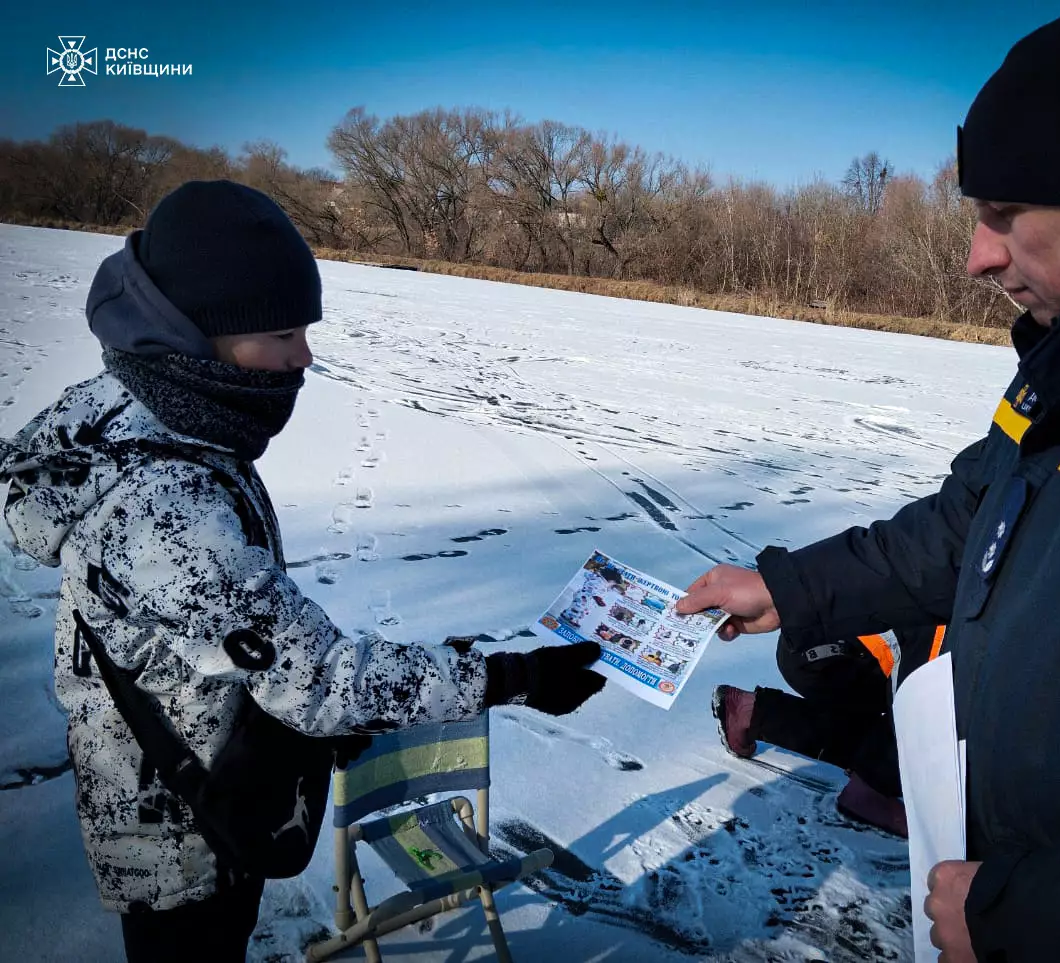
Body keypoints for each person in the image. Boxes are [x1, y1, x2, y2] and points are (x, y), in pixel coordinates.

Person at [676, 5, 1060, 960]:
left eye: (1006, 214)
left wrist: (1033, 917)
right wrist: (792, 589)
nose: (977, 256)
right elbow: (970, 522)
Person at [0, 180, 607, 963]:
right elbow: (319, 679)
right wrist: (515, 676)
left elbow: (242, 647)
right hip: (183, 832)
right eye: (283, 333)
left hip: (199, 774)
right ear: (195, 335)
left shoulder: (139, 409)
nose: (305, 357)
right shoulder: (165, 503)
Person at [711, 624, 947, 838]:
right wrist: (879, 777)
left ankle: (753, 713)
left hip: (815, 639)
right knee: (937, 711)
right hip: (837, 654)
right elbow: (918, 691)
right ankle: (870, 793)